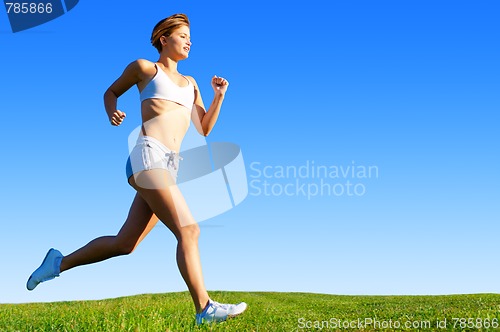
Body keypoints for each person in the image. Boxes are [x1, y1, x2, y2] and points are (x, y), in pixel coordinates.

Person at [26, 13, 247, 325]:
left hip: (168, 168)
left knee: (125, 244)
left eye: (189, 36)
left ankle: (57, 264)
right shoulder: (146, 68)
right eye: (183, 35)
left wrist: (219, 97)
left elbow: (204, 128)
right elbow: (111, 91)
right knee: (189, 229)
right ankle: (204, 309)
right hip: (147, 156)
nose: (189, 41)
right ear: (163, 39)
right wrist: (111, 111)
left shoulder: (192, 84)